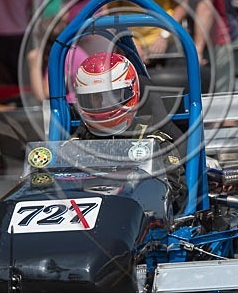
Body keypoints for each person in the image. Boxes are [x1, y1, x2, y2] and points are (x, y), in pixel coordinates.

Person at [71, 51, 186, 213]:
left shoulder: (155, 141)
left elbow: (176, 193)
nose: (103, 105)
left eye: (112, 96)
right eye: (94, 98)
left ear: (132, 92)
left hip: (138, 216)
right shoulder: (75, 146)